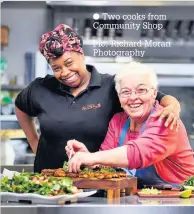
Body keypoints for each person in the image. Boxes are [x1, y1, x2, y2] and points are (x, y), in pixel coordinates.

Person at [15, 24, 181, 173]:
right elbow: (20, 107)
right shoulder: (40, 88)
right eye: (56, 68)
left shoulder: (110, 86)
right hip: (48, 183)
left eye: (69, 63)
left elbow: (157, 98)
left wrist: (173, 106)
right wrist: (34, 141)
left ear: (81, 54)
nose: (64, 72)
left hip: (98, 185)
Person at [66, 62, 194, 186]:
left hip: (181, 197)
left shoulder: (165, 119)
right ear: (119, 97)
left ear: (154, 93)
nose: (133, 97)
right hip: (141, 196)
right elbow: (106, 166)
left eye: (141, 90)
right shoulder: (118, 121)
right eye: (126, 92)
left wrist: (91, 157)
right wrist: (90, 160)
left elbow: (137, 154)